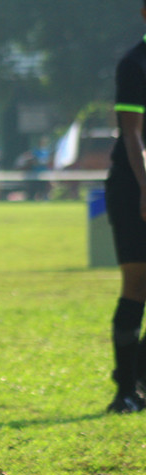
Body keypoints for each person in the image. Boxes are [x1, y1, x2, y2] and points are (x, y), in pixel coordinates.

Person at [104, 0, 146, 414]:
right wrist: (145, 187)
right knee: (136, 284)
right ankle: (125, 391)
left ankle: (139, 376)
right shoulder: (135, 64)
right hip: (132, 187)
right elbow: (132, 135)